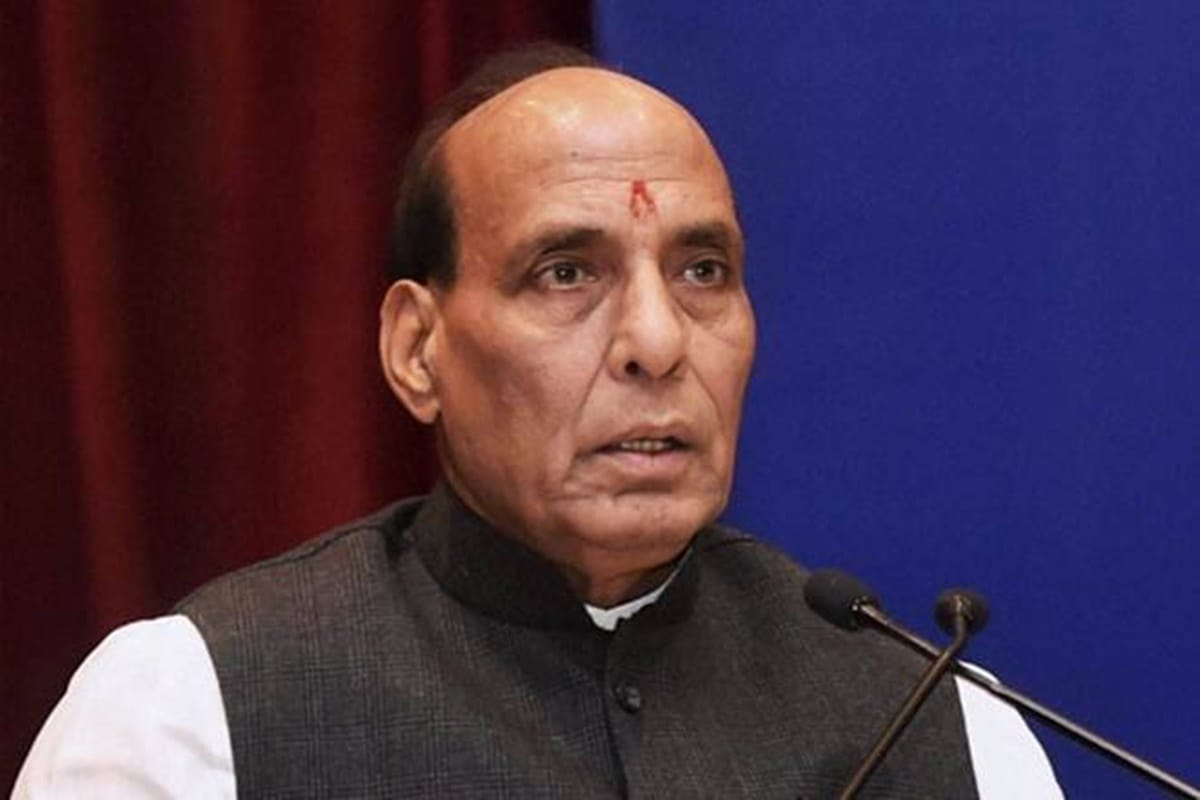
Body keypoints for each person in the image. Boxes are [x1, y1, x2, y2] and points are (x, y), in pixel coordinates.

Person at [13, 44, 1061, 798]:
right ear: (417, 349)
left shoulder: (938, 721)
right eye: (566, 272)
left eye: (703, 270)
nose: (657, 340)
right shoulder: (195, 712)